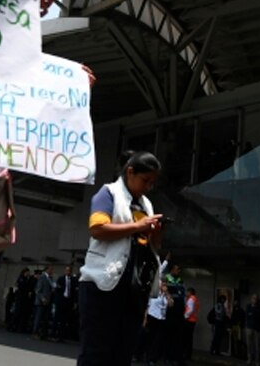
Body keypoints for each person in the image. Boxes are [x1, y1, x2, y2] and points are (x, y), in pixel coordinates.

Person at [77, 150, 164, 366]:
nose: (148, 187)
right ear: (130, 172)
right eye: (145, 181)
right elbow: (97, 228)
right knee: (96, 352)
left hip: (133, 289)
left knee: (123, 353)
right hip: (102, 286)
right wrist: (137, 226)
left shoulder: (147, 204)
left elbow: (152, 246)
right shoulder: (107, 193)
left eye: (152, 183)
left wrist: (155, 233)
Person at [33, 265, 54, 339]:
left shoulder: (51, 278)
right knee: (38, 318)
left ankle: (44, 334)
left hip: (48, 301)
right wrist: (42, 298)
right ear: (47, 270)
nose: (52, 271)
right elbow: (38, 290)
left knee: (46, 318)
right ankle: (35, 332)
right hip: (41, 301)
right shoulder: (42, 277)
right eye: (51, 269)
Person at [246, 293, 260, 365]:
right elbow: (248, 315)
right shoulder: (248, 306)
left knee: (257, 345)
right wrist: (254, 314)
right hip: (249, 327)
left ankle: (257, 361)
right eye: (253, 298)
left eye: (256, 298)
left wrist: (253, 313)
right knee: (249, 344)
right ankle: (249, 359)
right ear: (251, 299)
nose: (254, 300)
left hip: (257, 329)